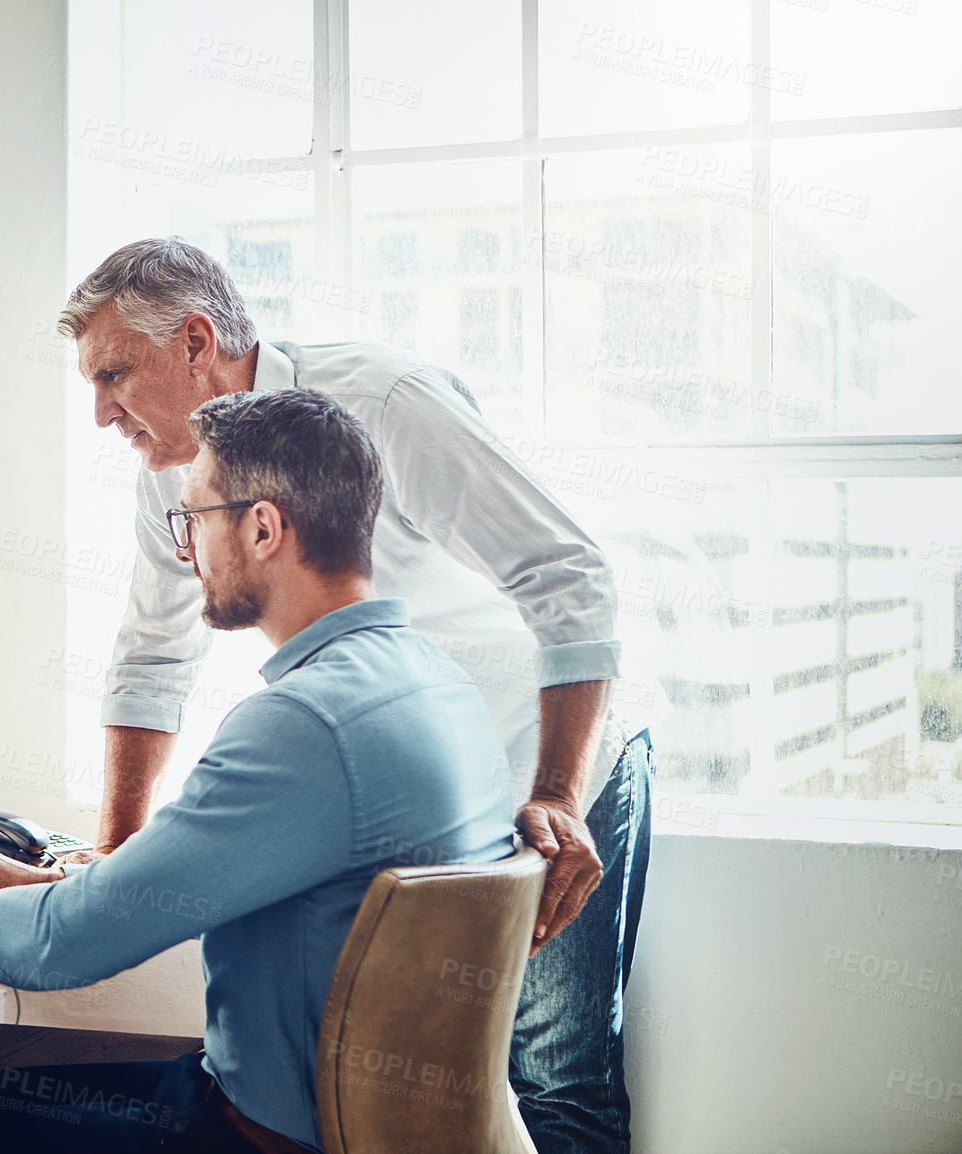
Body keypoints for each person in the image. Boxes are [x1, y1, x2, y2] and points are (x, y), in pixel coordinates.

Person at [54, 238, 658, 1153]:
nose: (101, 413)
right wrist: (116, 852)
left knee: (552, 1082)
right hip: (424, 778)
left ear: (194, 341)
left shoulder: (385, 404)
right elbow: (151, 657)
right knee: (434, 1078)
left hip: (556, 749)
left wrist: (559, 796)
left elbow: (570, 577)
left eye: (113, 375)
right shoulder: (171, 470)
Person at [0, 388, 517, 1153]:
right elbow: (204, 894)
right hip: (347, 1120)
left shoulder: (303, 722)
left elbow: (67, 949)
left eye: (193, 518)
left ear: (263, 527)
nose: (182, 549)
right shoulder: (432, 681)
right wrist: (53, 887)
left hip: (252, 1134)